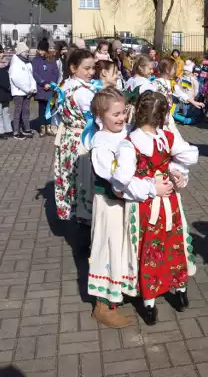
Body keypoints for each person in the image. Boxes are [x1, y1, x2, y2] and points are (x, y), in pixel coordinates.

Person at [112, 91, 199, 325]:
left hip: (152, 204)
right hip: (160, 203)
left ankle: (152, 302)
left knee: (154, 248)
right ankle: (177, 292)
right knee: (171, 244)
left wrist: (176, 176)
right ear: (162, 116)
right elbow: (186, 158)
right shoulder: (164, 138)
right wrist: (162, 182)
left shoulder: (133, 143)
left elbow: (122, 180)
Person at [88, 88, 143, 328]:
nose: (121, 118)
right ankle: (102, 305)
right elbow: (114, 180)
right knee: (108, 249)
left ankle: (123, 288)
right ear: (101, 115)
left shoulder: (129, 132)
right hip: (110, 205)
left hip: (128, 203)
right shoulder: (100, 144)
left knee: (125, 247)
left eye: (123, 113)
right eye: (116, 114)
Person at [54, 49, 98, 222]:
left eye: (93, 68)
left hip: (68, 138)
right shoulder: (83, 92)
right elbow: (95, 117)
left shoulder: (64, 85)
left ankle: (74, 213)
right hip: (83, 139)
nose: (91, 72)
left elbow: (57, 117)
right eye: (86, 68)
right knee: (85, 180)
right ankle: (85, 220)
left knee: (71, 177)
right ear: (73, 68)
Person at [32, 38, 60, 137]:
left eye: (43, 50)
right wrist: (43, 83)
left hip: (50, 89)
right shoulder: (35, 60)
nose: (41, 52)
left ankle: (48, 126)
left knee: (50, 108)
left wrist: (52, 84)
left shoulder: (51, 60)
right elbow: (34, 73)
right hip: (41, 89)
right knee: (42, 109)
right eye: (40, 50)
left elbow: (55, 73)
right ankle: (42, 127)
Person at [9, 42, 37, 140]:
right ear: (20, 52)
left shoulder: (27, 62)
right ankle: (16, 131)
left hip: (28, 91)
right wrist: (27, 89)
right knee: (18, 111)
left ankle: (26, 128)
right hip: (19, 92)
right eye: (25, 51)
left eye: (27, 51)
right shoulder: (15, 63)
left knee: (26, 111)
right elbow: (16, 79)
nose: (27, 53)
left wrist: (33, 87)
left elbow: (31, 76)